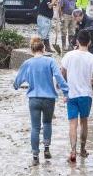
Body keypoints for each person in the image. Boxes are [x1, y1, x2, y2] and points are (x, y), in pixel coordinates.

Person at [14, 36, 69, 166]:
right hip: (49, 99)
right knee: (48, 123)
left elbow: (17, 81)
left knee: (35, 127)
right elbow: (59, 77)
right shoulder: (50, 61)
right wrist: (66, 91)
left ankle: (35, 156)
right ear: (43, 48)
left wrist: (16, 85)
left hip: (34, 99)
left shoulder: (27, 63)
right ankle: (47, 149)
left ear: (32, 49)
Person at [61, 29, 93, 163]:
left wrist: (66, 84)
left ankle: (73, 151)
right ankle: (83, 149)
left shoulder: (69, 56)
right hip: (86, 95)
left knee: (72, 124)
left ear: (77, 41)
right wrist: (91, 80)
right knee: (84, 122)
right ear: (89, 42)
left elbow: (62, 72)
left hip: (72, 95)